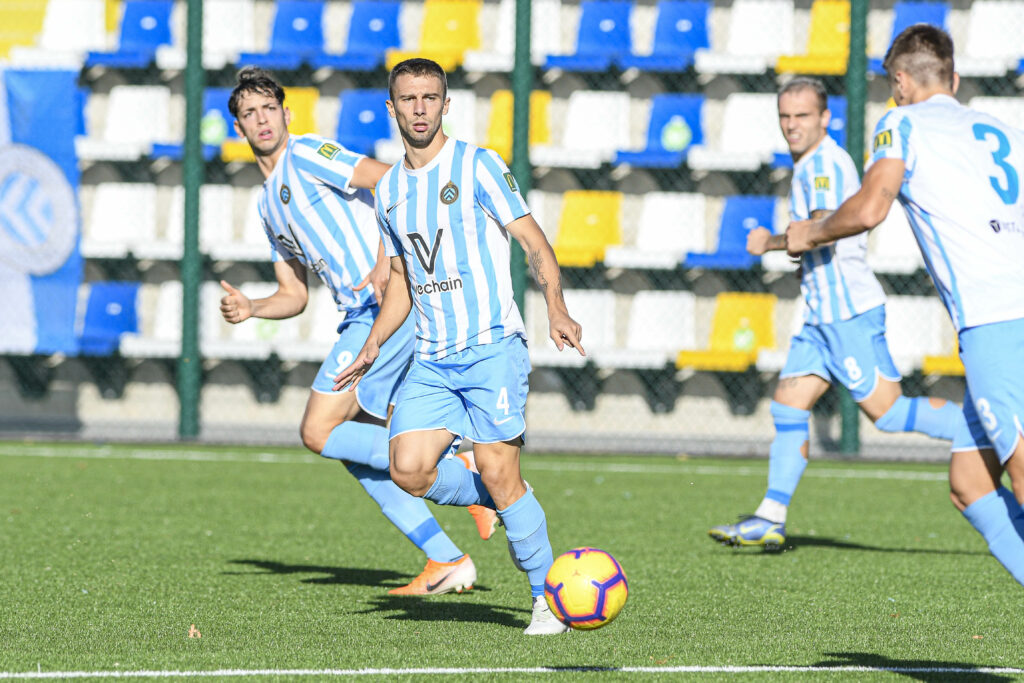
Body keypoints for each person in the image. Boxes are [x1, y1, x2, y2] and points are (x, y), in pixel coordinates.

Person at [334, 58, 585, 634]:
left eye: (429, 98)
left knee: (498, 467)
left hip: (493, 346)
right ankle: (507, 495)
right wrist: (373, 343)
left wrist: (556, 306)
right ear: (391, 107)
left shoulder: (477, 165)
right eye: (408, 99)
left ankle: (547, 598)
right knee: (409, 470)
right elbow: (400, 277)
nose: (419, 108)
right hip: (433, 357)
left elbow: (532, 239)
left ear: (446, 105)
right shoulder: (391, 188)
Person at [218, 66, 491, 596]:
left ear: (286, 113)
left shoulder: (308, 154)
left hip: (387, 308)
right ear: (239, 129)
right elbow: (294, 295)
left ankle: (459, 460)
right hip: (359, 317)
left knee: (317, 431)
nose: (262, 119)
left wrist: (390, 258)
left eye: (269, 108)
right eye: (249, 113)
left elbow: (387, 177)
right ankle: (446, 559)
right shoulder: (268, 204)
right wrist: (251, 307)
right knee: (347, 447)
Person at [786, 25, 1024, 585]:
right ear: (954, 79)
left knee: (1018, 465)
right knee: (971, 483)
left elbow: (871, 208)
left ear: (898, 82)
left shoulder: (900, 121)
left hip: (996, 319)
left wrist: (812, 232)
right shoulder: (999, 126)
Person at [708, 76, 964, 549]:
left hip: (846, 313)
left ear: (825, 118)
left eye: (802, 116)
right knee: (788, 405)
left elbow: (819, 229)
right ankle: (770, 515)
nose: (792, 126)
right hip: (819, 317)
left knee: (886, 414)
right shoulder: (810, 162)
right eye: (785, 116)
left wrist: (771, 241)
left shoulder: (823, 164)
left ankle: (985, 428)